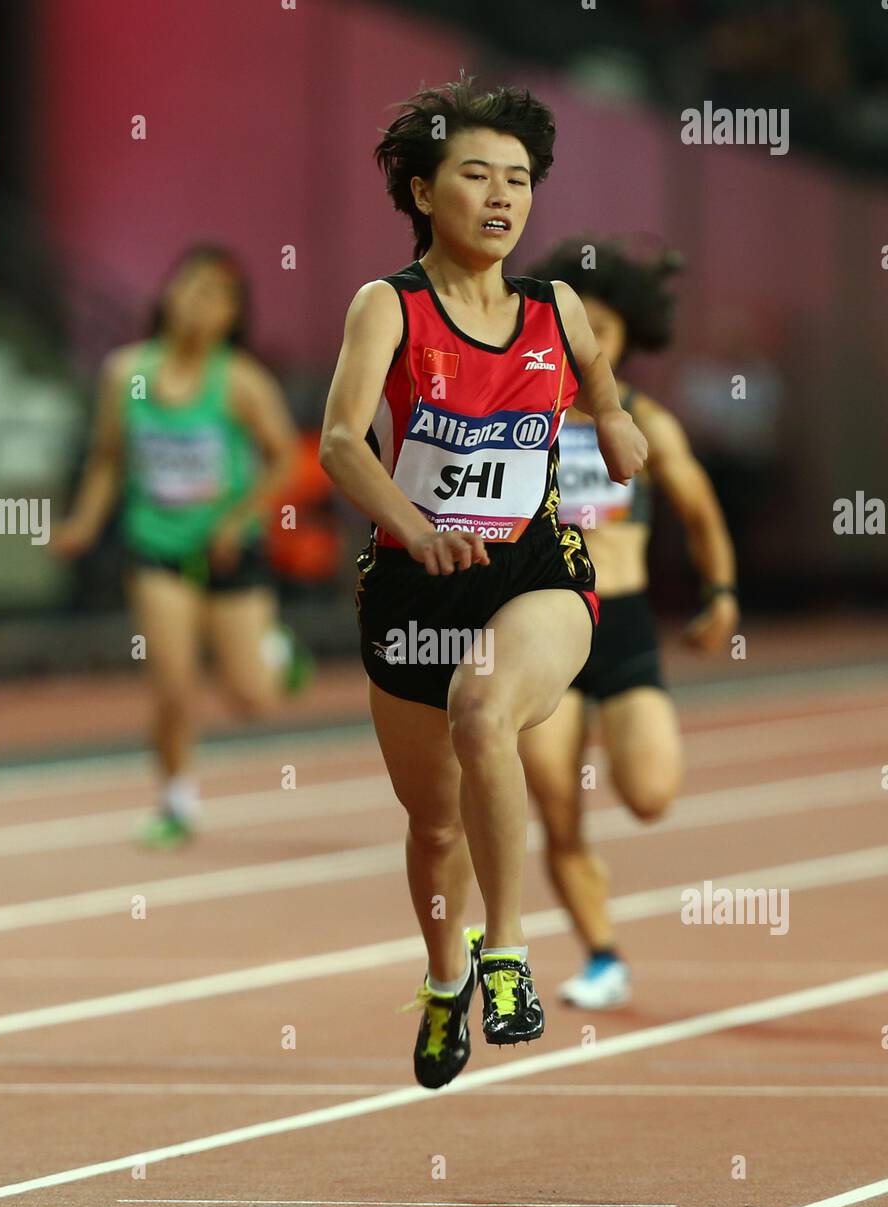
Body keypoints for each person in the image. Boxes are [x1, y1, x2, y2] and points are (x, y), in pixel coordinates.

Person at [319, 78, 647, 1089]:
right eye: (476, 175)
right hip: (413, 589)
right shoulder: (388, 307)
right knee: (434, 822)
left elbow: (594, 381)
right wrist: (414, 530)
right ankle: (443, 974)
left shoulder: (553, 306)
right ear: (423, 191)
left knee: (483, 709)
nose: (502, 197)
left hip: (533, 570)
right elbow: (339, 442)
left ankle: (505, 953)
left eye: (517, 180)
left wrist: (618, 424)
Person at [517, 236, 738, 1008]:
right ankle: (603, 954)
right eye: (581, 326)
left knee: (649, 795)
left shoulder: (648, 422)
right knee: (555, 807)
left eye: (606, 330)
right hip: (543, 626)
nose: (591, 343)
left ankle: (620, 733)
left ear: (626, 340)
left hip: (624, 623)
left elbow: (700, 510)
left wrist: (721, 595)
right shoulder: (515, 416)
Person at [52, 244, 310, 846]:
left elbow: (285, 461)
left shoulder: (241, 381)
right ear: (166, 295)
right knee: (171, 680)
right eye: (190, 287)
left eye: (217, 296)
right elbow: (108, 460)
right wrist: (85, 524)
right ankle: (175, 801)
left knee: (251, 699)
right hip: (155, 545)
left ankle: (274, 655)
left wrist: (236, 517)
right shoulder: (127, 373)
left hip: (229, 547)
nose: (199, 304)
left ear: (233, 315)